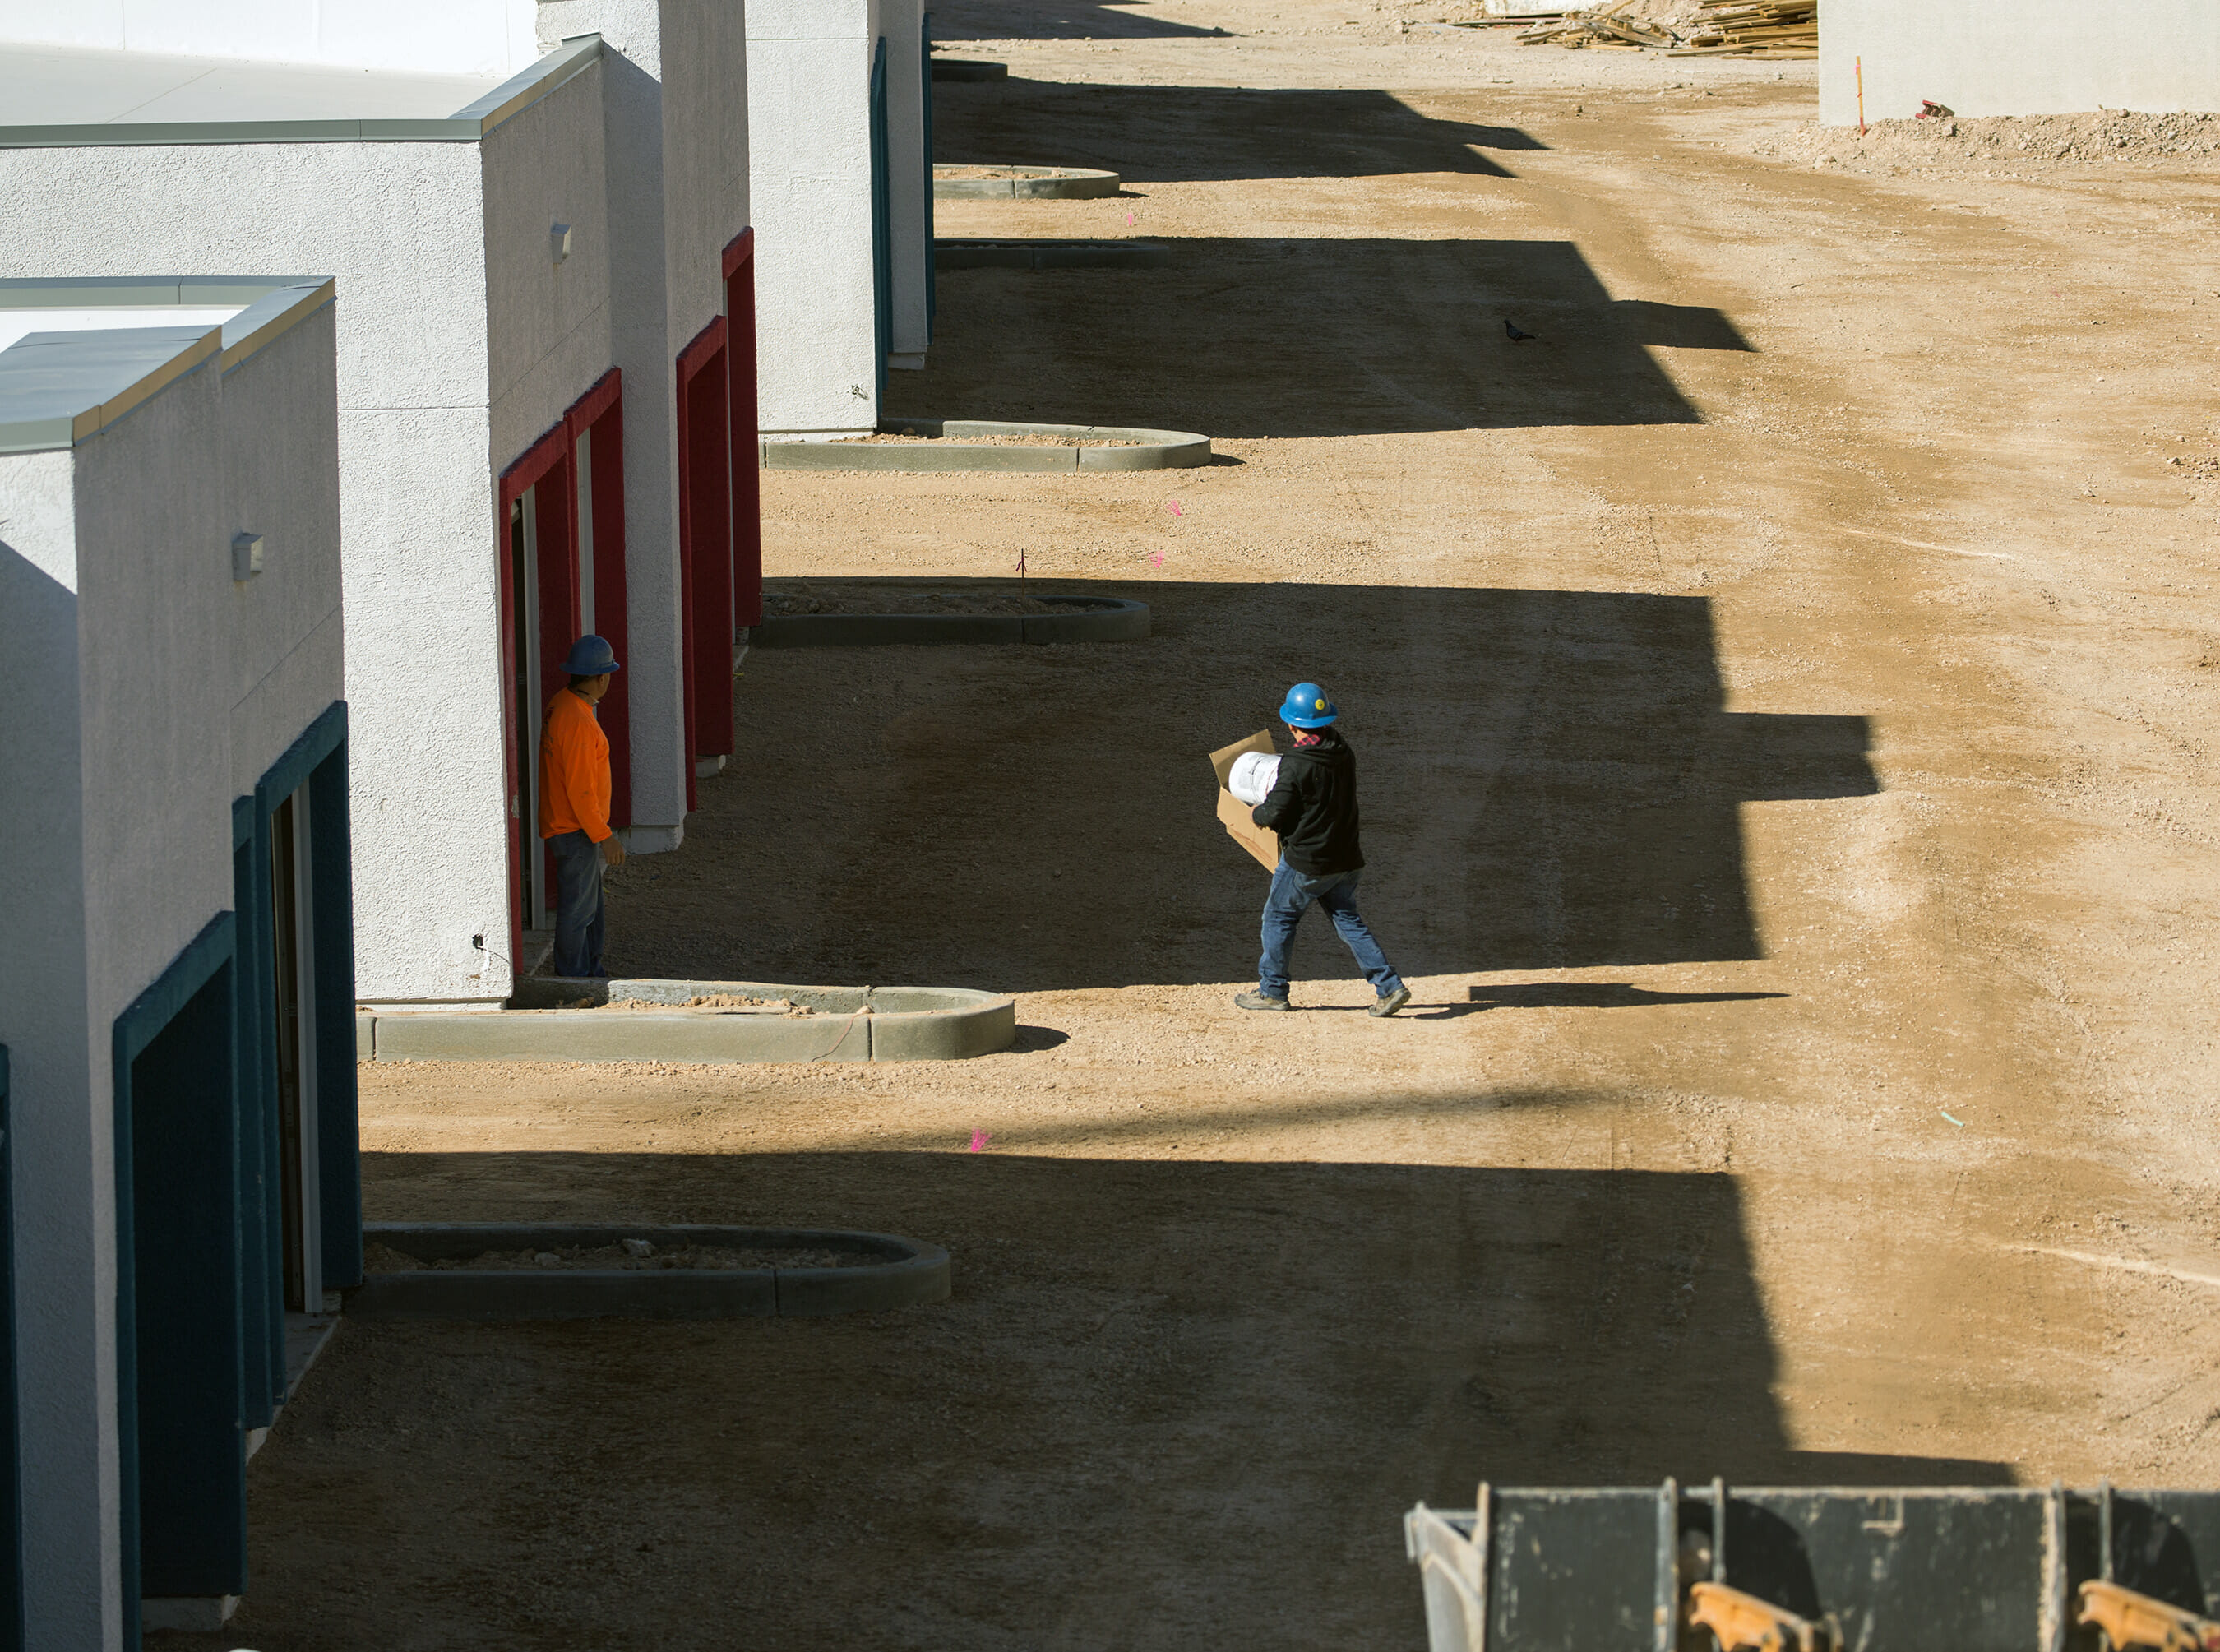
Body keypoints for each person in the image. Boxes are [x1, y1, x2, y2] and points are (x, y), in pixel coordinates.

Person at [1235, 682, 1412, 1016]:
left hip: (1309, 862)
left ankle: (1272, 990)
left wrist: (1255, 813)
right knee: (1348, 920)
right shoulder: (1343, 750)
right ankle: (1388, 986)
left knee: (1278, 917)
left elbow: (1275, 813)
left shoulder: (1295, 763)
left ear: (1291, 725)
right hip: (1346, 857)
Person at [539, 635, 626, 978]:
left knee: (589, 909)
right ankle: (573, 980)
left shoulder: (562, 704)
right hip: (575, 829)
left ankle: (588, 972)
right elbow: (581, 791)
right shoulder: (575, 718)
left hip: (570, 827)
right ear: (600, 678)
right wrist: (605, 835)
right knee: (578, 911)